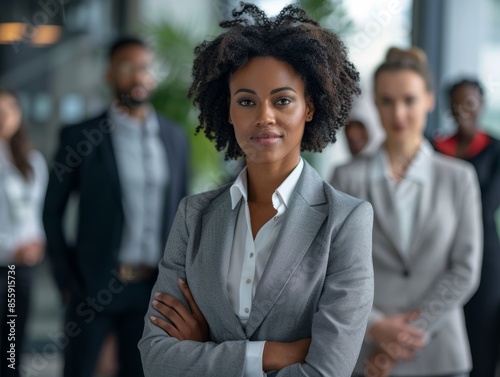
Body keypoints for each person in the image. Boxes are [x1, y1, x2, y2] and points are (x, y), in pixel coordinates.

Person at [138, 3, 374, 377]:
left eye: (282, 100)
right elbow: (156, 358)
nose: (264, 116)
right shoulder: (193, 216)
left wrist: (206, 353)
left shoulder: (346, 220)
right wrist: (271, 354)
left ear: (309, 107)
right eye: (246, 101)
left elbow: (327, 371)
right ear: (229, 111)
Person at [43, 36, 189, 377]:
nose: (138, 76)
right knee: (79, 370)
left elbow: (184, 214)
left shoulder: (173, 136)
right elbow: (51, 211)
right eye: (127, 67)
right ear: (110, 73)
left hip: (153, 289)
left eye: (145, 68)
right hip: (94, 285)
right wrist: (66, 279)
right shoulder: (80, 136)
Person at [332, 47, 483, 377]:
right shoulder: (346, 178)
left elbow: (465, 269)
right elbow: (334, 267)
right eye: (387, 101)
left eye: (409, 100)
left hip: (440, 354)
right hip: (364, 354)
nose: (398, 112)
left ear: (429, 100)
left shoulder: (459, 179)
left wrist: (405, 335)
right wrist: (375, 327)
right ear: (375, 104)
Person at [433, 78, 500, 377]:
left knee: (482, 333)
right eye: (456, 103)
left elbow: (486, 205)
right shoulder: (434, 147)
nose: (462, 110)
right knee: (440, 329)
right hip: (438, 253)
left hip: (485, 256)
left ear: (481, 105)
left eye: (469, 102)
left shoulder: (496, 151)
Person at [0, 89, 47, 376]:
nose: (3, 117)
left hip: (22, 269)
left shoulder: (31, 162)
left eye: (9, 110)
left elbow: (35, 215)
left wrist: (37, 243)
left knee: (13, 344)